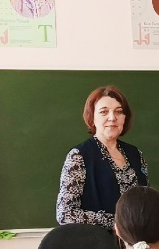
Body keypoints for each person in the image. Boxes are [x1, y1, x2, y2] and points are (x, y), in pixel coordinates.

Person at [56, 85, 149, 227]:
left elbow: (145, 201)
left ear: (125, 118)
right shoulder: (79, 156)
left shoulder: (136, 154)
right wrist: (116, 223)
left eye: (119, 112)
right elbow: (65, 213)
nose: (112, 118)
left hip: (136, 240)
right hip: (96, 240)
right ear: (92, 118)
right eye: (104, 112)